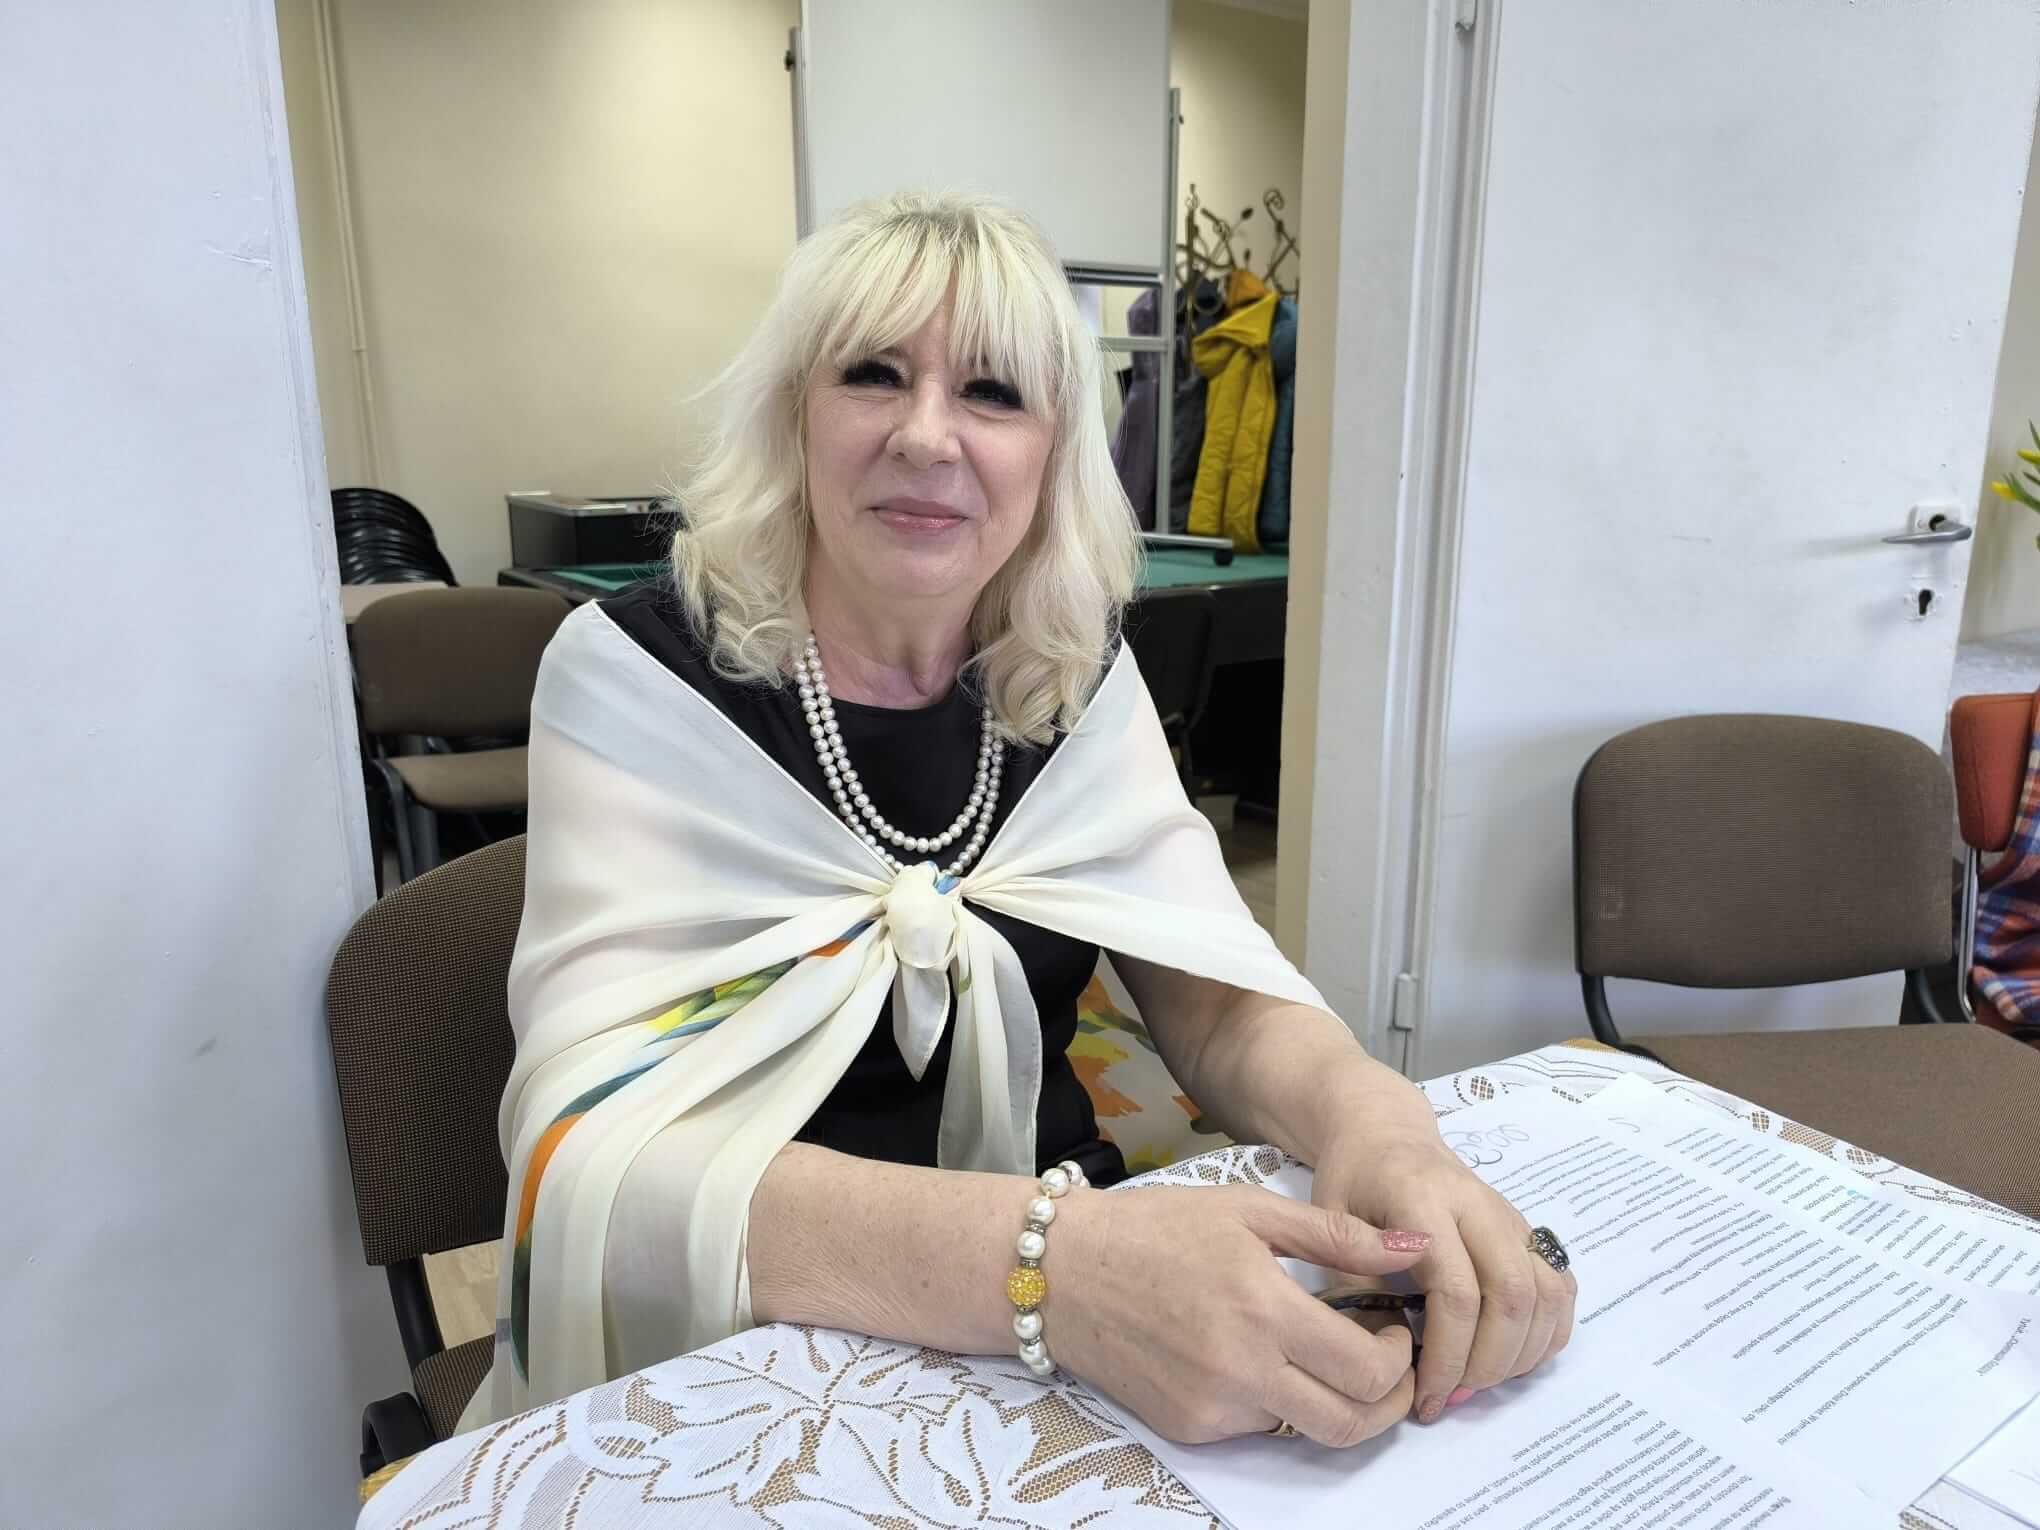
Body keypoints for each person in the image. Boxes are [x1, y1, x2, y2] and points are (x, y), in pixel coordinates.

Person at [475, 191, 1575, 1448]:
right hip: (759, 1332)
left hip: (1081, 1314)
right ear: (794, 411)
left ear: (1055, 450)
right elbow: (590, 1158)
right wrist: (1058, 1268)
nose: (927, 437)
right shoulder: (636, 678)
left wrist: (1383, 1132)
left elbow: (1219, 1009)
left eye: (994, 394)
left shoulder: (1071, 675)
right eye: (874, 374)